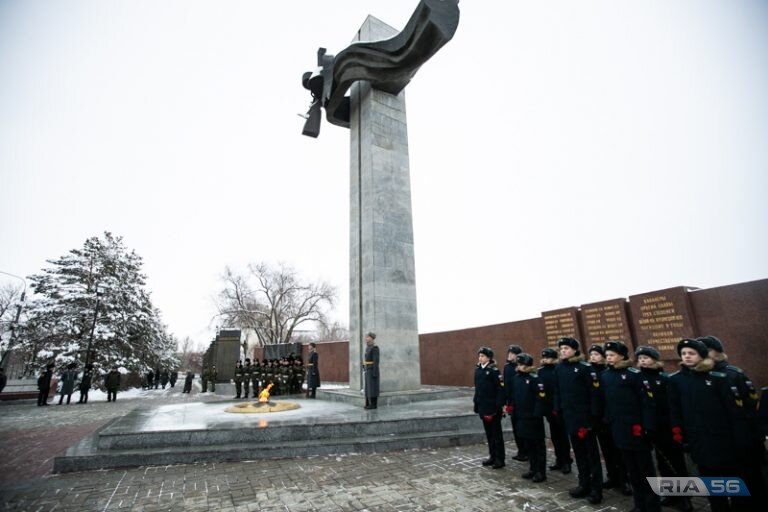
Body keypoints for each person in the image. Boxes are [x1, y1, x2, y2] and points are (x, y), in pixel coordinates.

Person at [668, 338, 743, 512]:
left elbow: (731, 410)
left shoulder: (717, 377)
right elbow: (675, 408)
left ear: (701, 356)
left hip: (721, 438)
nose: (687, 356)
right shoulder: (676, 380)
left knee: (731, 480)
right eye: (683, 353)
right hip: (697, 439)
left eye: (691, 353)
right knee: (710, 480)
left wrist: (737, 435)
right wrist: (678, 431)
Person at [698, 335, 766, 509]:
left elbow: (751, 405)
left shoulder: (733, 374)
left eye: (708, 351)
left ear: (718, 353)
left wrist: (750, 435)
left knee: (750, 478)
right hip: (722, 440)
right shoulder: (700, 378)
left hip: (744, 438)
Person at [600, 340, 659, 512]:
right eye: (607, 355)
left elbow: (647, 403)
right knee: (631, 470)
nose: (609, 358)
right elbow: (607, 403)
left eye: (612, 355)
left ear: (622, 356)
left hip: (637, 430)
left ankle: (652, 505)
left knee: (646, 470)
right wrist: (607, 420)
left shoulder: (635, 375)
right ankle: (639, 504)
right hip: (619, 429)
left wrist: (647, 427)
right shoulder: (605, 376)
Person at [636, 345, 693, 512]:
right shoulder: (637, 379)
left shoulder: (665, 379)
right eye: (640, 358)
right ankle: (671, 494)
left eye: (646, 358)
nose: (643, 361)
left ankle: (685, 498)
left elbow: (671, 405)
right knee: (662, 464)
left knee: (676, 463)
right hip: (650, 428)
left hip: (667, 427)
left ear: (654, 359)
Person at [554, 337, 603, 504]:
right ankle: (584, 484)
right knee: (580, 454)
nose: (563, 351)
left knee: (591, 455)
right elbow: (558, 392)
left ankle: (597, 489)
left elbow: (594, 395)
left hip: (585, 420)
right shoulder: (559, 368)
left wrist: (592, 419)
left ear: (575, 350)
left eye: (567, 348)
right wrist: (558, 411)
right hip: (570, 418)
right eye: (561, 349)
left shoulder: (585, 369)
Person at [589, 344, 629, 496]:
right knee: (607, 450)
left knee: (620, 451)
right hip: (602, 418)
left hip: (617, 419)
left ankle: (624, 479)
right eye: (592, 354)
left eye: (597, 354)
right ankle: (612, 476)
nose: (594, 357)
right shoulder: (594, 372)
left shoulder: (608, 372)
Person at [510, 352, 547, 482]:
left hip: (533, 417)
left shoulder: (534, 379)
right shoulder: (516, 378)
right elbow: (515, 397)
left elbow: (540, 398)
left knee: (538, 446)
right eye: (518, 364)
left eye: (522, 364)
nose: (519, 367)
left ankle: (540, 472)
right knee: (529, 445)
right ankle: (533, 468)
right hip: (521, 416)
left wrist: (537, 414)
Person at [537, 347, 572, 474]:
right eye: (544, 357)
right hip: (548, 408)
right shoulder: (540, 371)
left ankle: (567, 461)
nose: (545, 359)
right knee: (555, 436)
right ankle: (559, 459)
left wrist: (558, 406)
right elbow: (541, 391)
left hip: (558, 408)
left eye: (548, 357)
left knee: (563, 436)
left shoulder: (558, 370)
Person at [474, 346, 505, 469]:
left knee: (496, 434)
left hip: (493, 408)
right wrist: (476, 403)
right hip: (483, 407)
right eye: (479, 356)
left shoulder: (494, 371)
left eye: (482, 356)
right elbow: (478, 389)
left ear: (489, 358)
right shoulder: (478, 370)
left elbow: (500, 389)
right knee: (489, 434)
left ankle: (500, 459)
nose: (480, 358)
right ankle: (492, 456)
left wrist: (498, 406)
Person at [503, 344, 527, 461]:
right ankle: (521, 450)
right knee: (516, 428)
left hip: (521, 402)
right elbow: (506, 387)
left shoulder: (522, 367)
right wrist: (507, 403)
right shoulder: (507, 367)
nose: (510, 355)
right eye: (509, 353)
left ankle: (526, 451)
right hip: (512, 402)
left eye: (513, 353)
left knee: (523, 427)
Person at [363, 332, 380, 409]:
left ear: (372, 338)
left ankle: (373, 404)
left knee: (372, 388)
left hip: (372, 369)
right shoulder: (367, 348)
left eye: (368, 337)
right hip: (367, 369)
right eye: (366, 337)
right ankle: (368, 403)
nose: (366, 338)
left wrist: (374, 372)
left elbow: (376, 361)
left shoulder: (375, 348)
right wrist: (364, 366)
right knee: (368, 388)